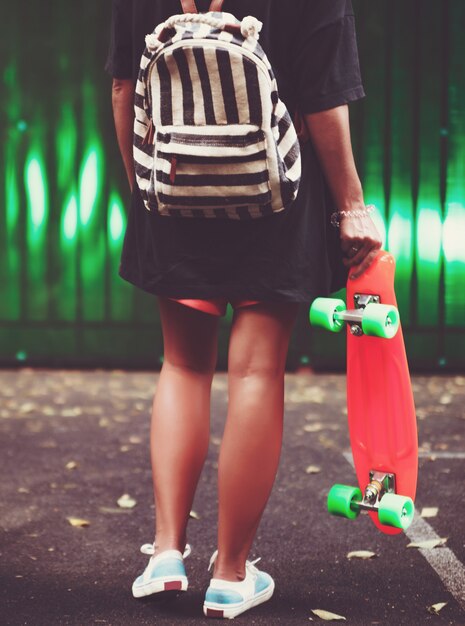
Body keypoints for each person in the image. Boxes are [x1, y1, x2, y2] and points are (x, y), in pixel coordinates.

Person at [106, 0, 382, 619]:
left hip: (173, 190)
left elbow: (125, 86)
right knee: (256, 373)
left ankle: (166, 556)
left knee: (182, 367)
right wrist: (352, 206)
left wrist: (144, 189)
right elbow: (322, 100)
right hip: (274, 200)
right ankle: (232, 575)